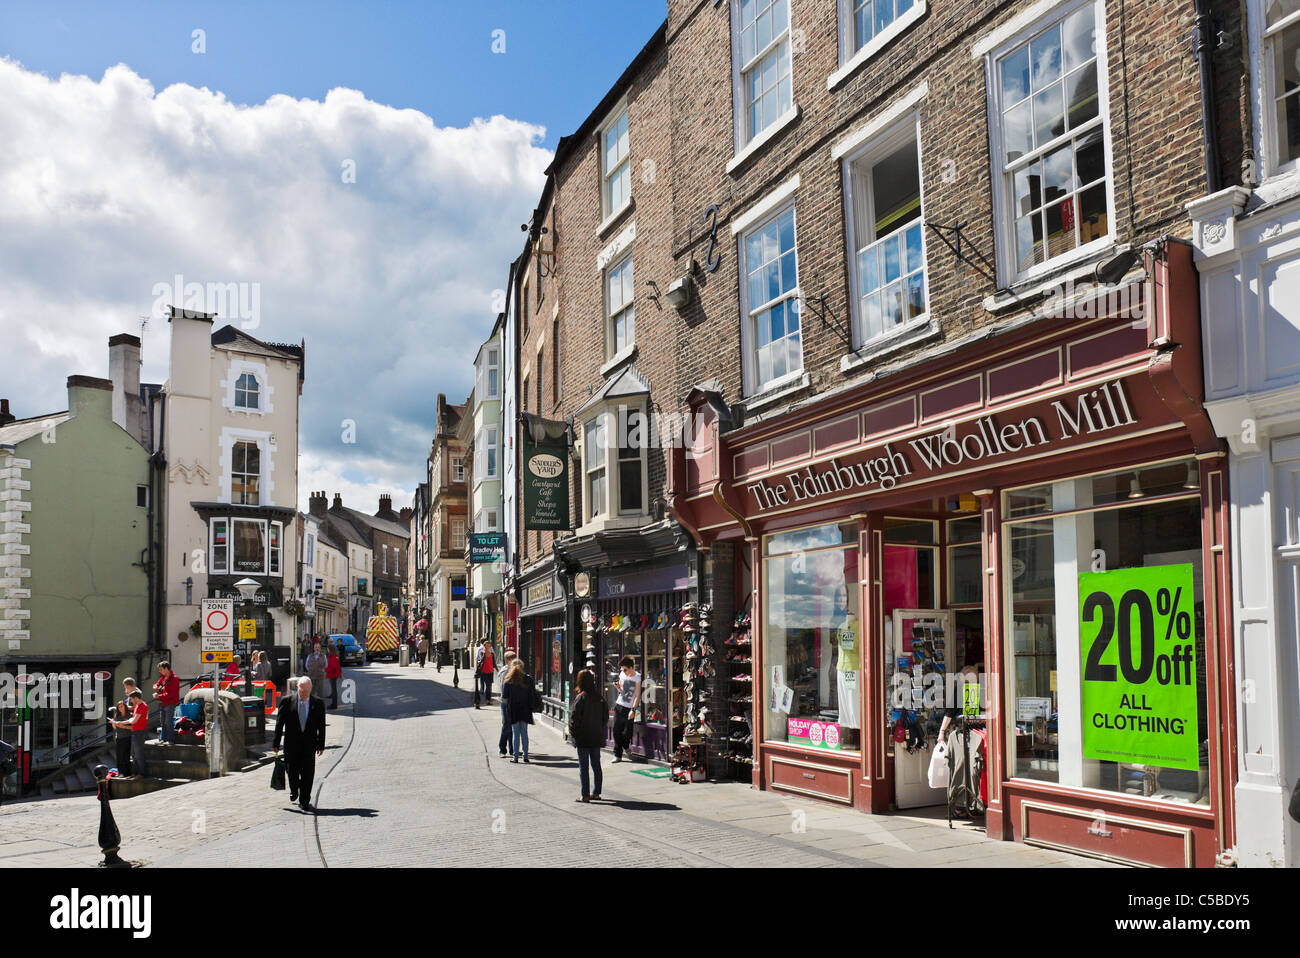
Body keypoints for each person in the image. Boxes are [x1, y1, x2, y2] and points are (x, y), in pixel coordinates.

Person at [273, 676, 327, 812]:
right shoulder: (287, 701)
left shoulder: (318, 703)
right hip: (291, 745)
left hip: (309, 745)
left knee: (308, 774)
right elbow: (279, 724)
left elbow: (321, 725)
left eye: (307, 691)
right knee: (292, 772)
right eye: (302, 691)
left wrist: (321, 744)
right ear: (297, 688)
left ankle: (304, 800)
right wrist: (276, 742)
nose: (304, 694)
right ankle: (294, 789)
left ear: (311, 689)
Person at [568, 669, 606, 802]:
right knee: (596, 765)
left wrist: (574, 735)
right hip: (596, 736)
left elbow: (573, 719)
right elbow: (605, 717)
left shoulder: (581, 697)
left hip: (583, 738)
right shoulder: (599, 698)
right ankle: (596, 793)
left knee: (583, 767)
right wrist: (598, 728)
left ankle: (585, 795)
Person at [111, 690, 149, 778]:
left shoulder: (142, 706)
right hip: (135, 733)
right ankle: (135, 773)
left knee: (138, 754)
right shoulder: (137, 706)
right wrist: (121, 723)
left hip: (139, 732)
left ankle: (141, 773)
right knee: (134, 754)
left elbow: (134, 720)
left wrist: (122, 723)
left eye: (131, 699)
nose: (130, 701)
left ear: (136, 698)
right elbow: (131, 720)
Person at [502, 661, 533, 763]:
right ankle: (526, 756)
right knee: (524, 732)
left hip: (513, 709)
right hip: (525, 708)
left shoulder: (508, 680)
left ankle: (515, 757)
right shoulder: (528, 679)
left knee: (515, 733)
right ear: (522, 667)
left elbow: (505, 699)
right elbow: (532, 694)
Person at [611, 656, 641, 763]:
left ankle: (626, 747)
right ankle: (618, 755)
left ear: (631, 667)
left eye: (625, 669)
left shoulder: (637, 677)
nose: (623, 672)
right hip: (619, 705)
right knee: (616, 731)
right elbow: (622, 691)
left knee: (627, 732)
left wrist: (633, 710)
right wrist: (617, 687)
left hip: (629, 708)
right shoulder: (622, 675)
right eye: (622, 670)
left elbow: (637, 695)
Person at [152, 661, 180, 745]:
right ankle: (163, 739)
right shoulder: (163, 678)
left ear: (166, 669)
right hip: (163, 702)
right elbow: (156, 684)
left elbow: (171, 694)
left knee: (168, 722)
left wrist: (158, 696)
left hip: (170, 703)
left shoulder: (174, 679)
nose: (160, 671)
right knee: (163, 721)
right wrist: (156, 687)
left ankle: (170, 740)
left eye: (161, 669)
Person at [496, 650, 518, 757]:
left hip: (512, 702)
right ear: (508, 661)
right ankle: (502, 749)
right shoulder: (505, 672)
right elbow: (503, 688)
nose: (516, 661)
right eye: (514, 659)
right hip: (505, 702)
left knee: (511, 725)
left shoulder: (514, 670)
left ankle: (512, 749)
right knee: (506, 726)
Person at [111, 698, 133, 776]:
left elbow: (133, 727)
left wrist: (123, 726)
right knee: (119, 756)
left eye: (122, 706)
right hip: (119, 738)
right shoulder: (117, 715)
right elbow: (115, 728)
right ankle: (120, 772)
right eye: (119, 707)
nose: (120, 708)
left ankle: (126, 772)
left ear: (125, 706)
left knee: (126, 756)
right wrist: (113, 724)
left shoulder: (129, 715)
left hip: (127, 738)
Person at [474, 640, 495, 709]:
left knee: (489, 686)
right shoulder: (482, 652)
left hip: (490, 671)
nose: (488, 647)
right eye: (487, 645)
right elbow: (479, 660)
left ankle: (488, 699)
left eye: (489, 646)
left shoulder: (492, 653)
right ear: (484, 646)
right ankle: (487, 700)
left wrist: (497, 670)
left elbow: (493, 662)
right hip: (484, 671)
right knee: (487, 685)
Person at [325, 645, 342, 710]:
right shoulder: (334, 656)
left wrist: (325, 670)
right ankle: (333, 704)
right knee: (333, 690)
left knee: (334, 691)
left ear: (330, 650)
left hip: (333, 675)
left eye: (328, 649)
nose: (327, 650)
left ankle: (334, 705)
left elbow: (332, 667)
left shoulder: (333, 657)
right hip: (333, 675)